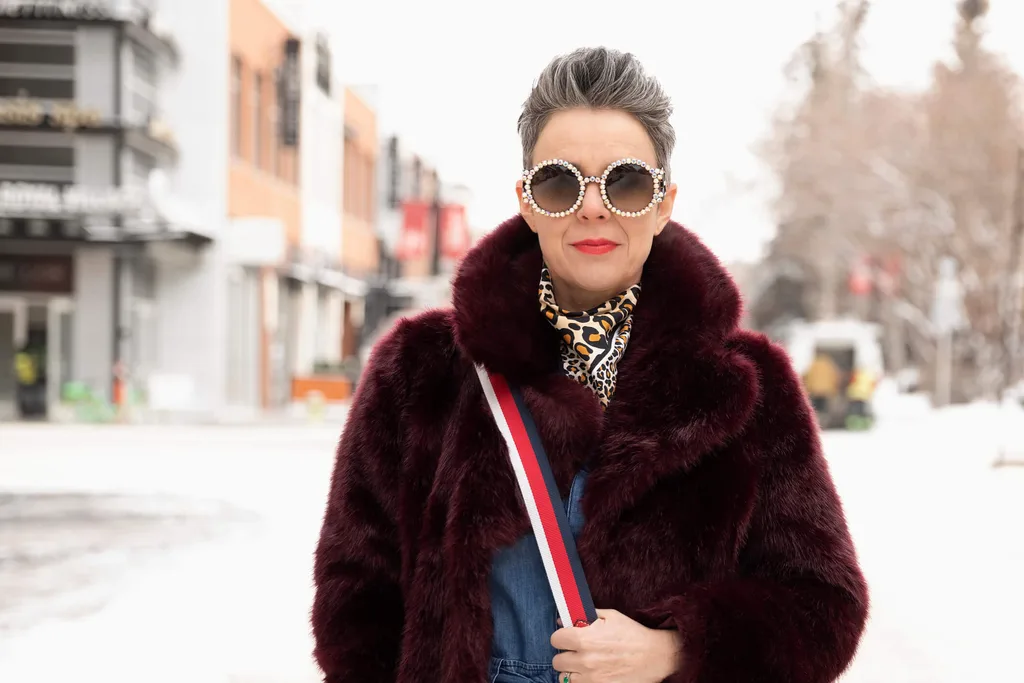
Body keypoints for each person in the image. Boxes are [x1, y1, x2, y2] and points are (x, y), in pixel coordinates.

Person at [312, 47, 868, 683]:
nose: (594, 207)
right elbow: (353, 604)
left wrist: (680, 650)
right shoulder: (420, 372)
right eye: (561, 181)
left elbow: (825, 607)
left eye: (627, 182)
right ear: (528, 201)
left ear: (662, 205)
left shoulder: (746, 388)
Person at [804, 352, 841, 423]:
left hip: (815, 390)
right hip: (826, 391)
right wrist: (834, 390)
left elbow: (808, 377)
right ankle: (823, 422)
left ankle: (816, 422)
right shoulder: (829, 365)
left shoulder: (814, 365)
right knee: (824, 408)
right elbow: (835, 378)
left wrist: (808, 388)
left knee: (815, 408)